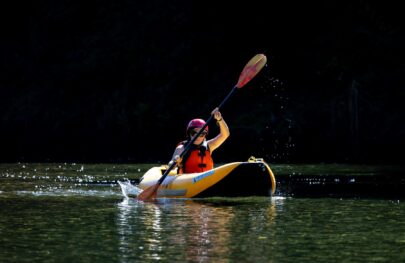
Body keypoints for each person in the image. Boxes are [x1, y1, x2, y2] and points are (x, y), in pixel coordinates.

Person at [169, 107, 230, 174]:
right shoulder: (181, 148)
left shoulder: (209, 146)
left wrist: (220, 119)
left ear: (205, 135)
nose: (197, 136)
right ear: (189, 133)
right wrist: (174, 162)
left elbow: (225, 134)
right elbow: (171, 164)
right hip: (188, 180)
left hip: (206, 180)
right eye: (193, 133)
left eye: (202, 134)